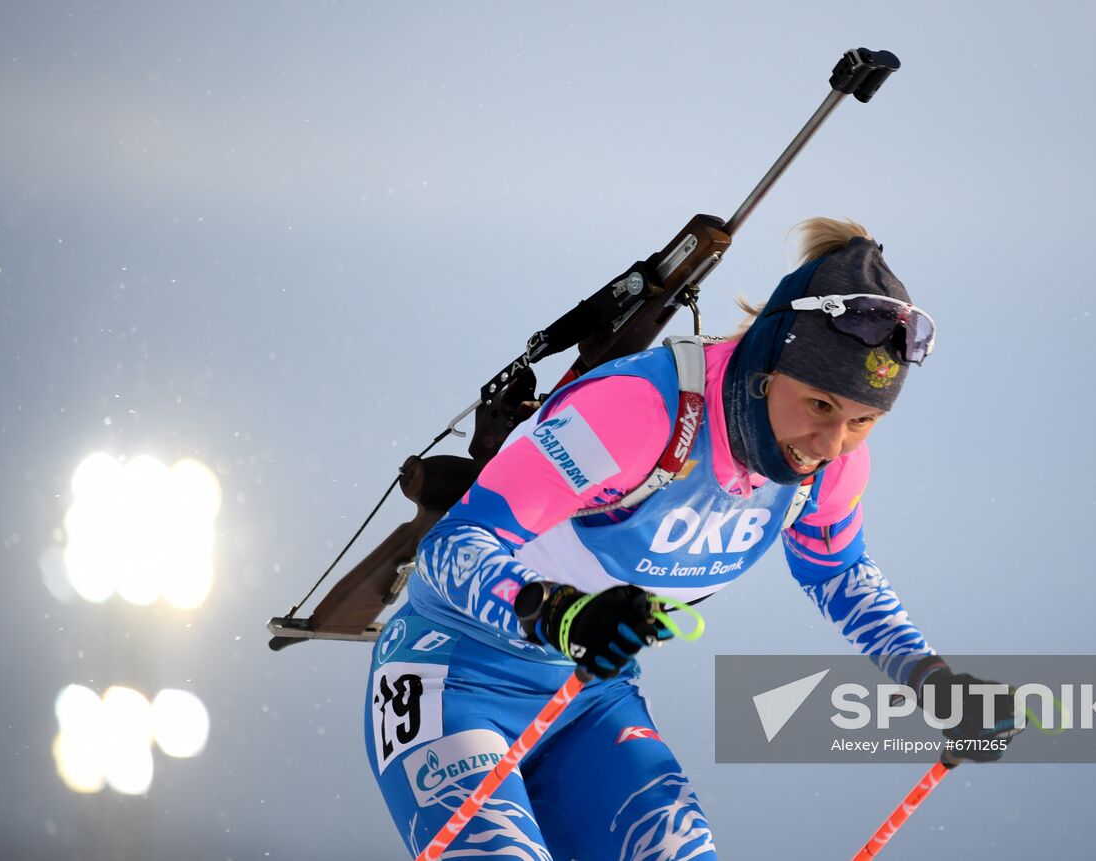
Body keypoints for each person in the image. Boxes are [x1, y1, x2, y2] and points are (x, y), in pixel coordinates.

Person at [364, 217, 1019, 860]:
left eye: (864, 420)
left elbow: (839, 575)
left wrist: (932, 677)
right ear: (769, 359)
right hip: (452, 675)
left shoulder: (833, 467)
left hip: (588, 695)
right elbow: (453, 545)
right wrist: (558, 612)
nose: (831, 444)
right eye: (820, 404)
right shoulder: (638, 411)